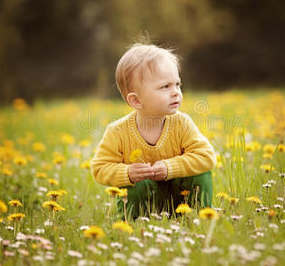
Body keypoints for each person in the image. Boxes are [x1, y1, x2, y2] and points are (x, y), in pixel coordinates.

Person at [91, 43, 216, 220]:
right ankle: (134, 223)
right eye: (165, 87)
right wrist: (127, 173)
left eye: (177, 84)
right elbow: (99, 168)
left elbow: (207, 157)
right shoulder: (117, 132)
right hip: (145, 203)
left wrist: (169, 167)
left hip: (181, 199)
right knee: (134, 186)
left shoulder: (182, 123)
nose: (175, 93)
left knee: (200, 173)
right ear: (136, 101)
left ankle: (202, 218)